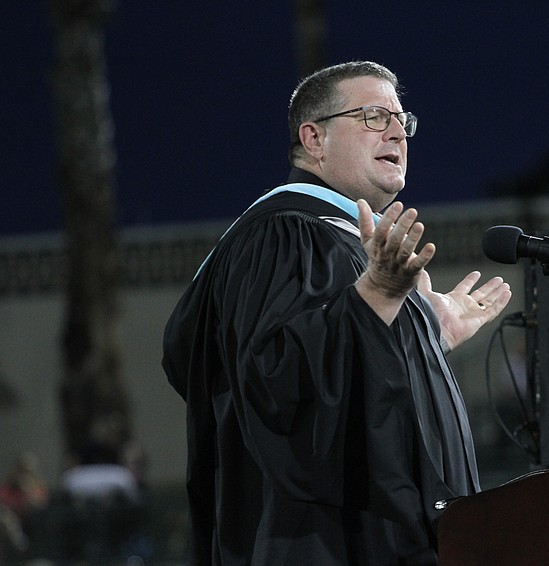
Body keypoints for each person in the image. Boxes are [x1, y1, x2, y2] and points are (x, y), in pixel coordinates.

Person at [162, 60, 511, 565]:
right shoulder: (283, 234)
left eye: (401, 119)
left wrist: (424, 333)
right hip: (326, 543)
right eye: (373, 116)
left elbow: (351, 369)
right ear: (314, 138)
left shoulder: (344, 243)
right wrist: (379, 295)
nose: (397, 131)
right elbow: (275, 381)